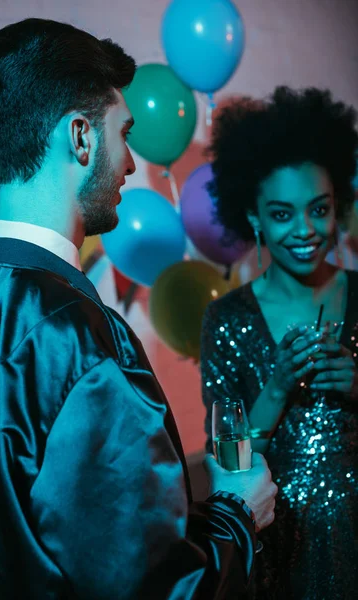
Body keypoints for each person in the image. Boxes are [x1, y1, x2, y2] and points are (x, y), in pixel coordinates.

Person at [0, 18, 277, 600]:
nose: (130, 161)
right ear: (80, 138)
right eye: (122, 133)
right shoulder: (81, 342)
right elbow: (147, 586)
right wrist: (238, 514)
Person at [200, 86, 358, 599]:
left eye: (319, 208)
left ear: (338, 205)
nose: (307, 230)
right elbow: (228, 466)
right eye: (283, 214)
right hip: (282, 547)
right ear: (253, 216)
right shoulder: (227, 318)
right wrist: (278, 386)